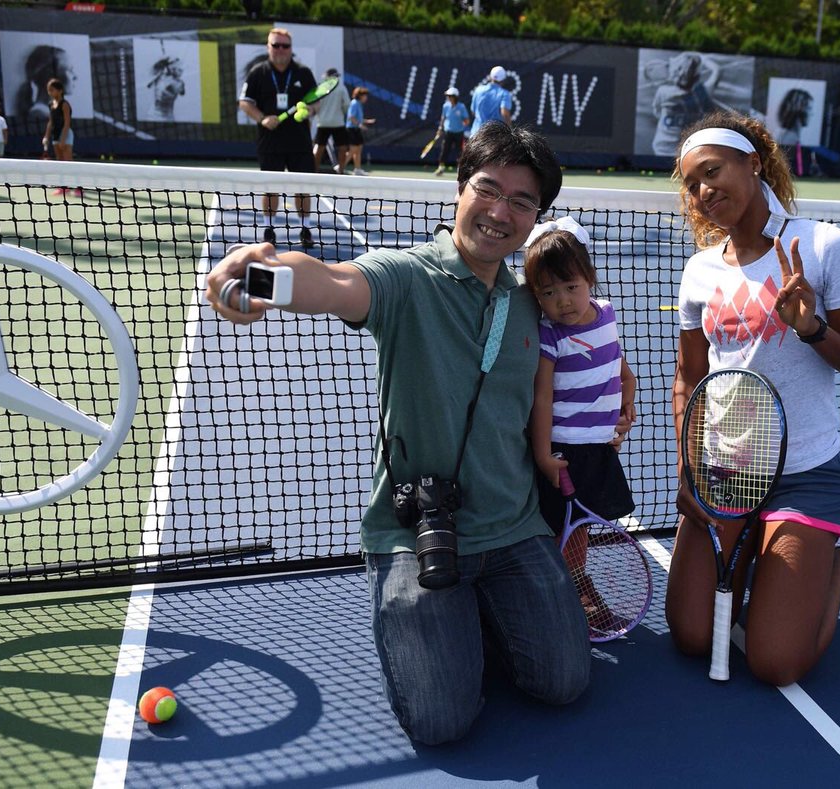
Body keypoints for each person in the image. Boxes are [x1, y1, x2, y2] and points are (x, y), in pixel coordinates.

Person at [203, 123, 592, 745]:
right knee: (441, 720)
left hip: (515, 526)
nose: (500, 212)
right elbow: (333, 282)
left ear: (537, 216)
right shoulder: (407, 277)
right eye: (488, 189)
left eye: (523, 202)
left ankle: (478, 615)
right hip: (417, 530)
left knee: (565, 681)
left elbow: (588, 353)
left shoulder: (532, 300)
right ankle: (426, 610)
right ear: (460, 188)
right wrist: (260, 275)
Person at [666, 111, 840, 687]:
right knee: (691, 635)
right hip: (727, 472)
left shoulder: (823, 246)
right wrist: (690, 466)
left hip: (807, 473)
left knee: (774, 662)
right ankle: (771, 556)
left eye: (712, 172)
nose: (703, 191)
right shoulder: (698, 272)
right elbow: (690, 379)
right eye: (692, 184)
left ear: (753, 164)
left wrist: (812, 329)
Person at [524, 216, 637, 619]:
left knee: (580, 528)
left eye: (571, 287)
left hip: (599, 448)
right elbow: (542, 398)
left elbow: (621, 370)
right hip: (563, 452)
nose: (563, 301)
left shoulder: (606, 314)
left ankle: (573, 581)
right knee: (557, 528)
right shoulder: (550, 335)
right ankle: (559, 594)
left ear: (589, 278)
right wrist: (542, 456)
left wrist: (627, 403)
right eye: (549, 292)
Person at [238, 27, 318, 249]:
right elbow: (245, 102)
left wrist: (309, 111)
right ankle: (269, 229)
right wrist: (263, 118)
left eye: (285, 46)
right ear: (268, 47)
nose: (281, 50)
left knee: (302, 186)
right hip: (269, 142)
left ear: (291, 48)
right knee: (271, 186)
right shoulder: (258, 72)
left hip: (299, 141)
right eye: (276, 45)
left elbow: (316, 102)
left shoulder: (303, 72)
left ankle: (305, 228)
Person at [650, 52, 720, 156]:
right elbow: (717, 70)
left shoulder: (663, 92)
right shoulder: (703, 93)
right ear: (696, 77)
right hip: (687, 152)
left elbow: (656, 112)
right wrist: (702, 57)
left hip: (661, 148)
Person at [14, 45, 78, 131]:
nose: (76, 76)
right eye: (70, 70)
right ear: (51, 77)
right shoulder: (40, 114)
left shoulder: (53, 112)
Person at [42, 79, 81, 198]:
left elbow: (67, 122)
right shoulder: (50, 104)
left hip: (66, 134)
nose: (50, 92)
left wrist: (63, 139)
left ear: (60, 91)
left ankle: (78, 188)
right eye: (49, 90)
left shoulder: (65, 104)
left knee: (68, 162)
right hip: (55, 135)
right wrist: (46, 136)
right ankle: (64, 187)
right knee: (60, 162)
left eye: (52, 90)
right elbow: (50, 122)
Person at [312, 67, 351, 173]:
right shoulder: (342, 88)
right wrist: (341, 114)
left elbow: (315, 105)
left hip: (323, 122)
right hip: (338, 122)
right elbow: (347, 104)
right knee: (342, 147)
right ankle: (341, 171)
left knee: (319, 147)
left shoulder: (320, 88)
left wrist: (320, 114)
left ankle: (313, 171)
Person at [468, 65, 513, 138]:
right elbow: (505, 114)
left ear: (491, 77)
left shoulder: (478, 90)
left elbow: (473, 111)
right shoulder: (505, 94)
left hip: (475, 134)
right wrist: (510, 130)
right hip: (493, 138)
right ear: (503, 79)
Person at [434, 86, 470, 176]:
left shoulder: (461, 107)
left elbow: (467, 120)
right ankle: (441, 168)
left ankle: (460, 171)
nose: (449, 98)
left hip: (459, 133)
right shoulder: (445, 106)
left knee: (460, 153)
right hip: (448, 132)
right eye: (448, 96)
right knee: (444, 151)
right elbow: (443, 117)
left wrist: (464, 125)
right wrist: (440, 128)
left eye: (450, 96)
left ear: (455, 97)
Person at [344, 86, 374, 175]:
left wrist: (367, 121)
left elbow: (358, 118)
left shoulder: (358, 104)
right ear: (360, 96)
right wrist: (360, 125)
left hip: (356, 129)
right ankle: (340, 166)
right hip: (352, 129)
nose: (366, 98)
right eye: (365, 96)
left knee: (358, 149)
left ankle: (357, 169)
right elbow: (351, 117)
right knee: (353, 149)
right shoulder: (354, 103)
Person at [147, 55, 186, 122]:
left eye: (181, 70)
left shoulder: (161, 77)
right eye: (179, 70)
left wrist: (162, 65)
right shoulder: (177, 82)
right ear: (172, 69)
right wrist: (162, 63)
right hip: (163, 117)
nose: (181, 72)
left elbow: (182, 92)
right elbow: (182, 92)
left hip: (156, 116)